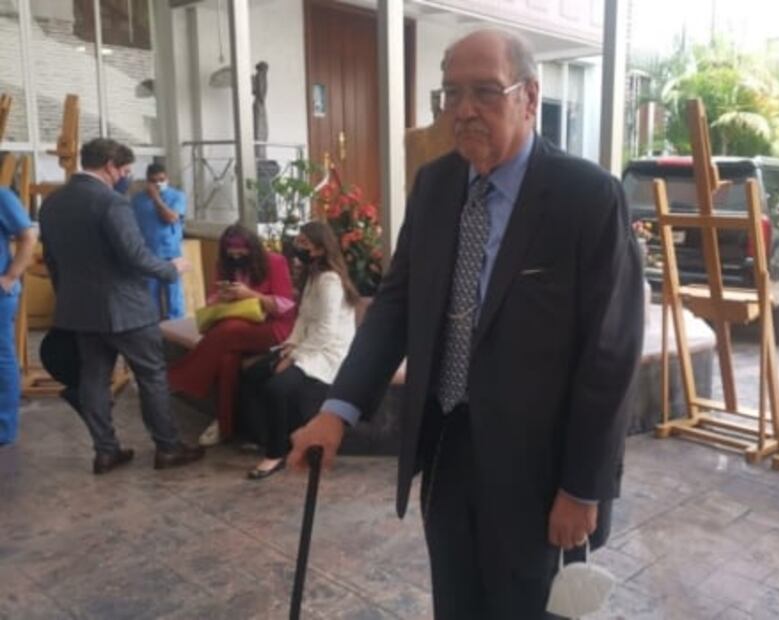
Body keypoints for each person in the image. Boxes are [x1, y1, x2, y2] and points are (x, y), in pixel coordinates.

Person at [289, 29, 643, 619]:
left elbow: (610, 353)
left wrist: (583, 486)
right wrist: (337, 409)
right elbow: (396, 305)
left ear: (529, 97)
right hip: (448, 448)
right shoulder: (435, 186)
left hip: (541, 472)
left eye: (485, 91)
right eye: (451, 93)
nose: (464, 109)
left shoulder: (587, 198)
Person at [38, 138, 204, 473]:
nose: (126, 176)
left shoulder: (51, 204)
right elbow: (135, 255)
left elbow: (52, 261)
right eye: (125, 170)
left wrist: (68, 297)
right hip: (127, 309)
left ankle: (105, 451)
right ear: (110, 166)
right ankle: (168, 448)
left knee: (93, 379)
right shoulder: (112, 203)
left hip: (79, 310)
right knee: (152, 376)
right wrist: (171, 269)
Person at [239, 221, 357, 479]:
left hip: (327, 352)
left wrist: (294, 358)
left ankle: (275, 454)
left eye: (304, 243)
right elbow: (303, 318)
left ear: (320, 249)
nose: (297, 247)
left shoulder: (330, 281)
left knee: (277, 387)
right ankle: (268, 436)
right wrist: (291, 345)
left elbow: (326, 331)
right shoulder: (313, 277)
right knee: (253, 374)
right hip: (307, 345)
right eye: (298, 241)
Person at [168, 224, 295, 447]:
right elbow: (212, 299)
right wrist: (222, 297)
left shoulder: (274, 262)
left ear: (252, 249)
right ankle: (225, 426)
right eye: (231, 253)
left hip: (272, 327)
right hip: (236, 325)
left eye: (240, 252)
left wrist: (250, 295)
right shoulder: (224, 265)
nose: (236, 257)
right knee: (228, 359)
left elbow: (286, 305)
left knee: (228, 330)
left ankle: (179, 378)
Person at [0, 185, 37, 445]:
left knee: (1, 359)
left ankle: (4, 429)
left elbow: (28, 236)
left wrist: (11, 276)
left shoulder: (2, 196)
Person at [131, 163, 187, 319]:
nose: (158, 184)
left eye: (161, 180)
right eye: (153, 181)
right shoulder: (137, 200)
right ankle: (152, 327)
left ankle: (176, 326)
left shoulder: (177, 196)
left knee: (174, 297)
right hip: (147, 254)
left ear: (167, 178)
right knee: (150, 297)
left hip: (171, 254)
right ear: (147, 181)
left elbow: (171, 218)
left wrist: (156, 198)